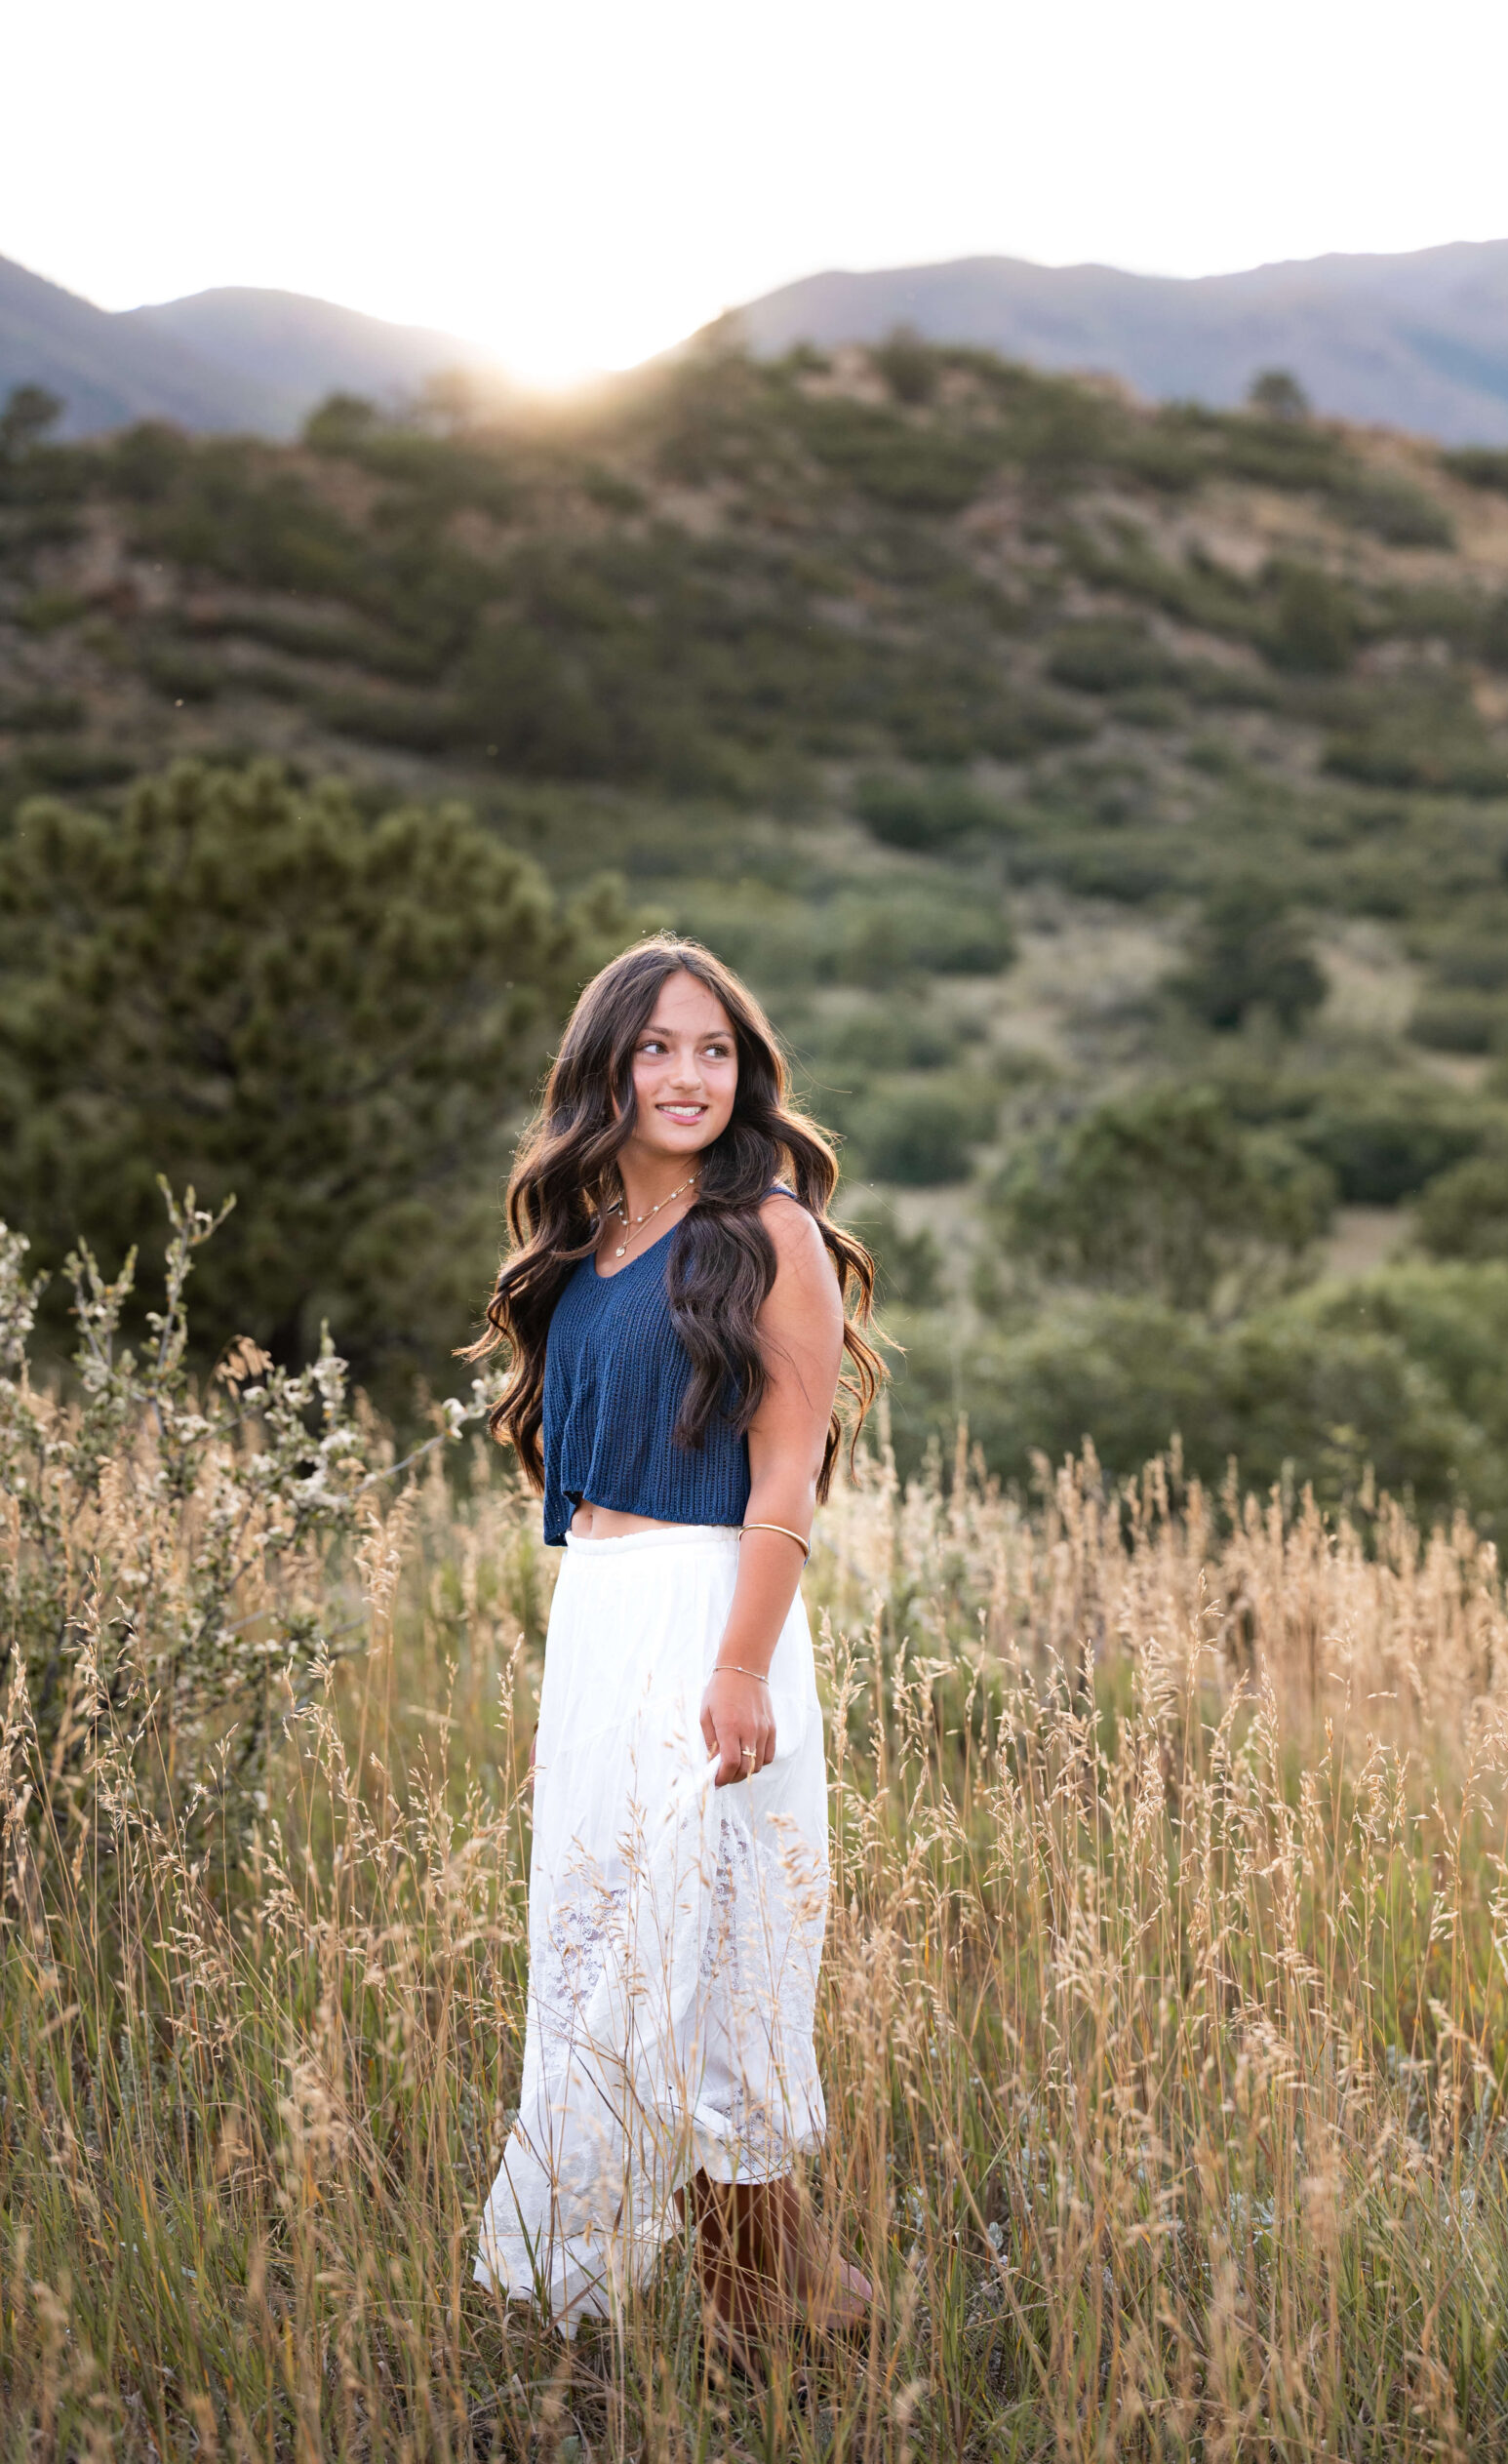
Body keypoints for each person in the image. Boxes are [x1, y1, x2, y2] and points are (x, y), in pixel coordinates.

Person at [470, 934, 884, 2362]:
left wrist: (739, 1668)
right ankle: (742, 2307)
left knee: (707, 1966)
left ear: (746, 1071)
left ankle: (802, 2311)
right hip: (600, 1619)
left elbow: (786, 1480)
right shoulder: (593, 1248)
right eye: (658, 1048)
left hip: (715, 1615)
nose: (690, 1075)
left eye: (715, 1049)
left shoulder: (770, 1234)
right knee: (608, 1958)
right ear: (607, 1069)